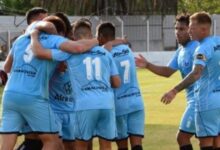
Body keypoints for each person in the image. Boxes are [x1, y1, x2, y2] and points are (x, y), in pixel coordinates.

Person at [0, 16, 98, 150]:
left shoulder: (21, 39)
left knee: (6, 143)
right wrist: (97, 40)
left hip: (9, 95)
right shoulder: (54, 40)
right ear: (61, 32)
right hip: (33, 96)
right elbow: (78, 48)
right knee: (54, 142)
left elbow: (6, 67)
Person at [30, 19, 121, 150]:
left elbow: (40, 53)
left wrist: (34, 35)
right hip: (107, 103)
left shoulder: (71, 52)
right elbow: (117, 83)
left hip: (85, 104)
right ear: (90, 35)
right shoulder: (106, 53)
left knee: (81, 144)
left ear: (74, 36)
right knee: (106, 144)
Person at [135, 14, 199, 150]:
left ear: (191, 29)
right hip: (197, 101)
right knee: (209, 139)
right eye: (176, 29)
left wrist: (174, 90)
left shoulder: (197, 48)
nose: (177, 32)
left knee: (183, 137)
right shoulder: (181, 51)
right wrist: (147, 65)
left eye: (182, 29)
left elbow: (196, 74)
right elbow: (167, 71)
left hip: (199, 101)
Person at [161, 12, 220, 150]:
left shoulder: (202, 48)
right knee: (217, 141)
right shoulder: (218, 41)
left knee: (205, 143)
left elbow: (196, 73)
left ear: (203, 29)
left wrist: (174, 90)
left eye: (192, 28)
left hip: (206, 101)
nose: (189, 31)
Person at [97, 22, 145, 150]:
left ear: (101, 36)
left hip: (119, 104)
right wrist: (122, 40)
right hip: (136, 101)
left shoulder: (104, 53)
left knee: (122, 146)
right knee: (137, 145)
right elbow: (117, 42)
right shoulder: (127, 49)